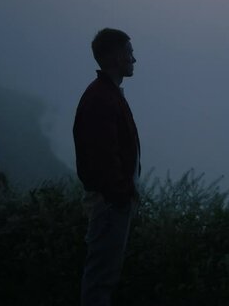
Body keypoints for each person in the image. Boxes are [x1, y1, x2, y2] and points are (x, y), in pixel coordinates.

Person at [73, 27, 141, 306]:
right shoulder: (102, 98)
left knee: (103, 274)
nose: (134, 59)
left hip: (112, 202)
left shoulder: (105, 94)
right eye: (129, 53)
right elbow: (103, 157)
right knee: (102, 276)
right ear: (115, 57)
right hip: (110, 205)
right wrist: (122, 196)